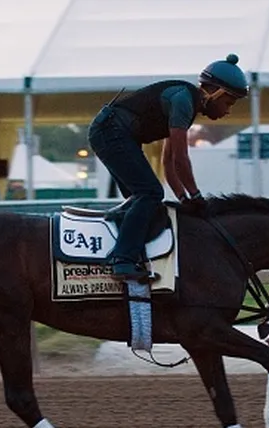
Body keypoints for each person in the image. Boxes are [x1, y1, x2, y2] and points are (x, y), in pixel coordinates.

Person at [87, 53, 249, 281]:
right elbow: (181, 159)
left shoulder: (186, 104)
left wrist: (184, 199)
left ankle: (123, 239)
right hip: (111, 132)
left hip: (111, 132)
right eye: (228, 102)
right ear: (215, 93)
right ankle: (122, 260)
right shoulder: (183, 101)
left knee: (143, 200)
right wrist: (196, 196)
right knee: (150, 193)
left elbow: (168, 162)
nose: (228, 110)